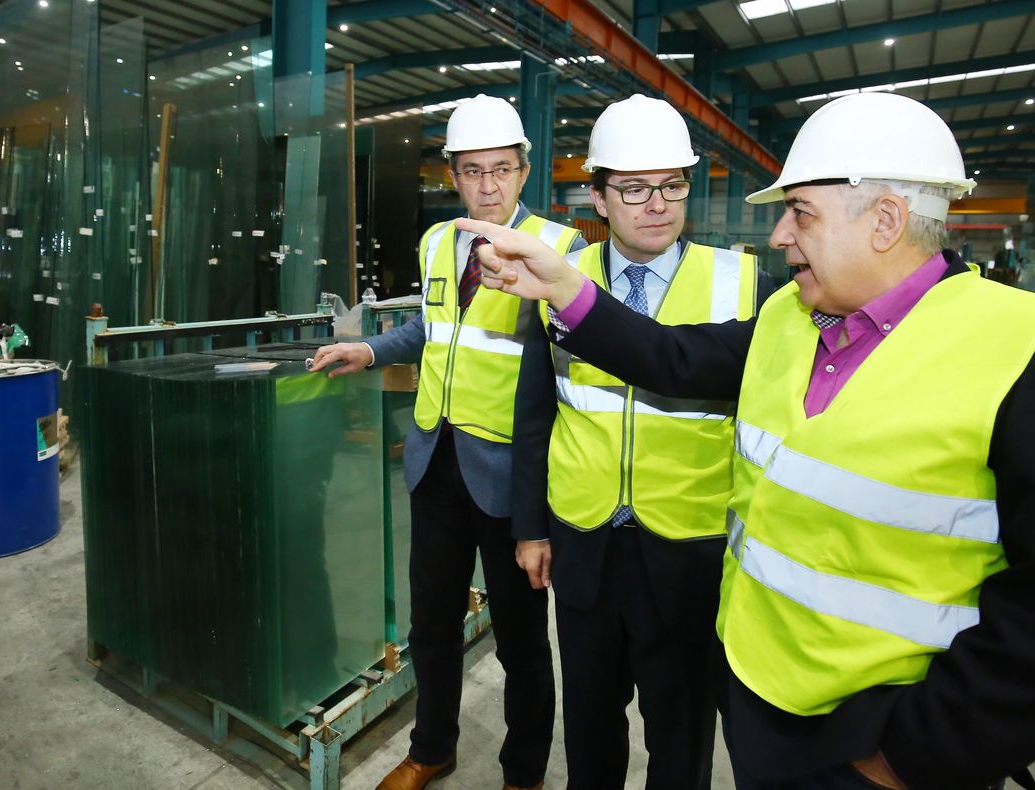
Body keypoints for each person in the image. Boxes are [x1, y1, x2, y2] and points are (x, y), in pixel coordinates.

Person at [457, 91, 1035, 790]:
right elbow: (669, 357)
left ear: (886, 220)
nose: (780, 236)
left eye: (801, 213)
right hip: (761, 699)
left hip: (885, 733)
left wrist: (921, 751)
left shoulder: (1013, 350)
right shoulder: (792, 320)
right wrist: (567, 291)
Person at [310, 94, 586, 790]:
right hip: (436, 464)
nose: (487, 186)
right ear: (453, 176)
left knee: (524, 643)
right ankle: (431, 748)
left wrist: (541, 514)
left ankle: (523, 771)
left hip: (511, 478)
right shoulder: (438, 243)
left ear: (524, 173)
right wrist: (370, 351)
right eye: (471, 171)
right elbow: (433, 331)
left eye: (501, 170)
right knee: (431, 626)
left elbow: (567, 382)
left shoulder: (559, 250)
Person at [511, 94, 763, 790]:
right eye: (633, 189)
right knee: (590, 722)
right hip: (585, 538)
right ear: (596, 194)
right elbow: (536, 413)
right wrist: (531, 527)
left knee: (682, 734)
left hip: (689, 547)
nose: (657, 204)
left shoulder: (742, 284)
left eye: (673, 185)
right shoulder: (557, 280)